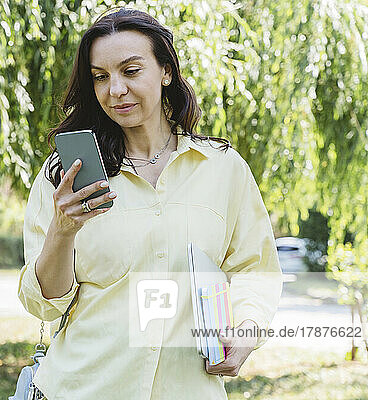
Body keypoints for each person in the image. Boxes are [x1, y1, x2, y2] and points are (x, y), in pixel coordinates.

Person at [17, 7, 282, 400]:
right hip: (81, 388)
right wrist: (62, 229)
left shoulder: (223, 169)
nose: (115, 90)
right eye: (100, 77)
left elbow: (254, 269)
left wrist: (245, 329)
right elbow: (47, 304)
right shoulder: (67, 176)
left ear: (166, 72)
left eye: (131, 70)